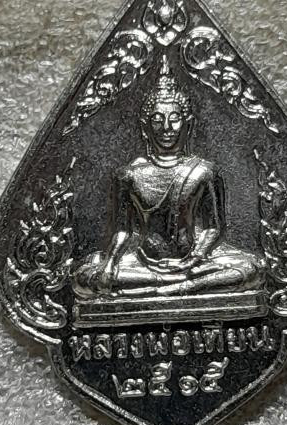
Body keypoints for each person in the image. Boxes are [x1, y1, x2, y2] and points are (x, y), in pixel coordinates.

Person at [72, 55, 264, 300]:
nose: (166, 128)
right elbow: (122, 230)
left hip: (194, 262)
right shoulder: (129, 175)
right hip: (143, 262)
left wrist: (193, 260)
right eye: (157, 120)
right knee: (83, 278)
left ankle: (177, 287)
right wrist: (110, 264)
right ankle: (173, 285)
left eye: (174, 119)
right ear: (145, 127)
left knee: (251, 270)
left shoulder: (204, 171)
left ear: (188, 124)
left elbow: (213, 228)